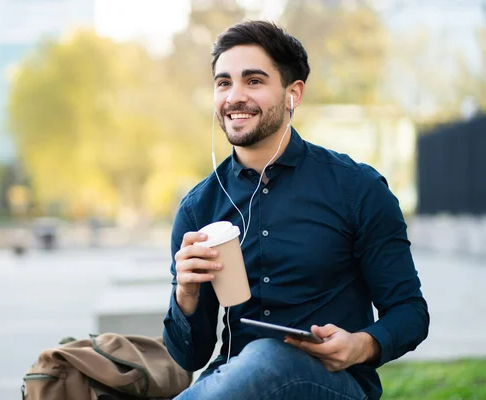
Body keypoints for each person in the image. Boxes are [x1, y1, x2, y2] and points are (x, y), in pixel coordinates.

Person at [162, 20, 429, 400]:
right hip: (233, 383)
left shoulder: (358, 189)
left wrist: (361, 344)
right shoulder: (199, 207)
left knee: (270, 356)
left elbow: (410, 312)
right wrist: (185, 297)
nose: (234, 96)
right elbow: (190, 356)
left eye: (253, 81)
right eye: (224, 83)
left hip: (335, 385)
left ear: (293, 93)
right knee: (253, 360)